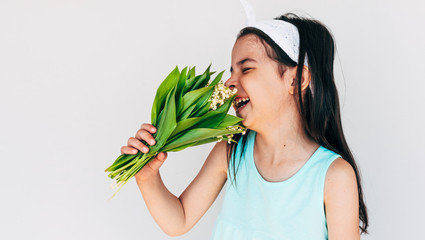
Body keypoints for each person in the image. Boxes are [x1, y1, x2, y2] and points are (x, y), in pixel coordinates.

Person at [120, 12, 368, 239]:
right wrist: (147, 177)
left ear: (296, 80)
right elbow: (179, 219)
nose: (229, 82)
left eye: (246, 69)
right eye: (231, 70)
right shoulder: (231, 150)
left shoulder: (334, 176)